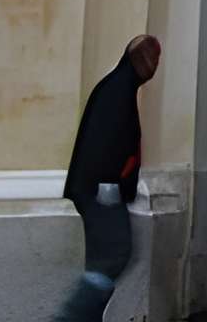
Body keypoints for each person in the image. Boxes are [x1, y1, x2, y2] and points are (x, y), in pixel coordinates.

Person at [56, 35, 157, 322]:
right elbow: (105, 146)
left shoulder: (118, 87)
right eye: (150, 57)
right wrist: (110, 187)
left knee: (107, 259)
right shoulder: (116, 91)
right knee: (112, 255)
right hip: (102, 192)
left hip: (101, 190)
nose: (154, 66)